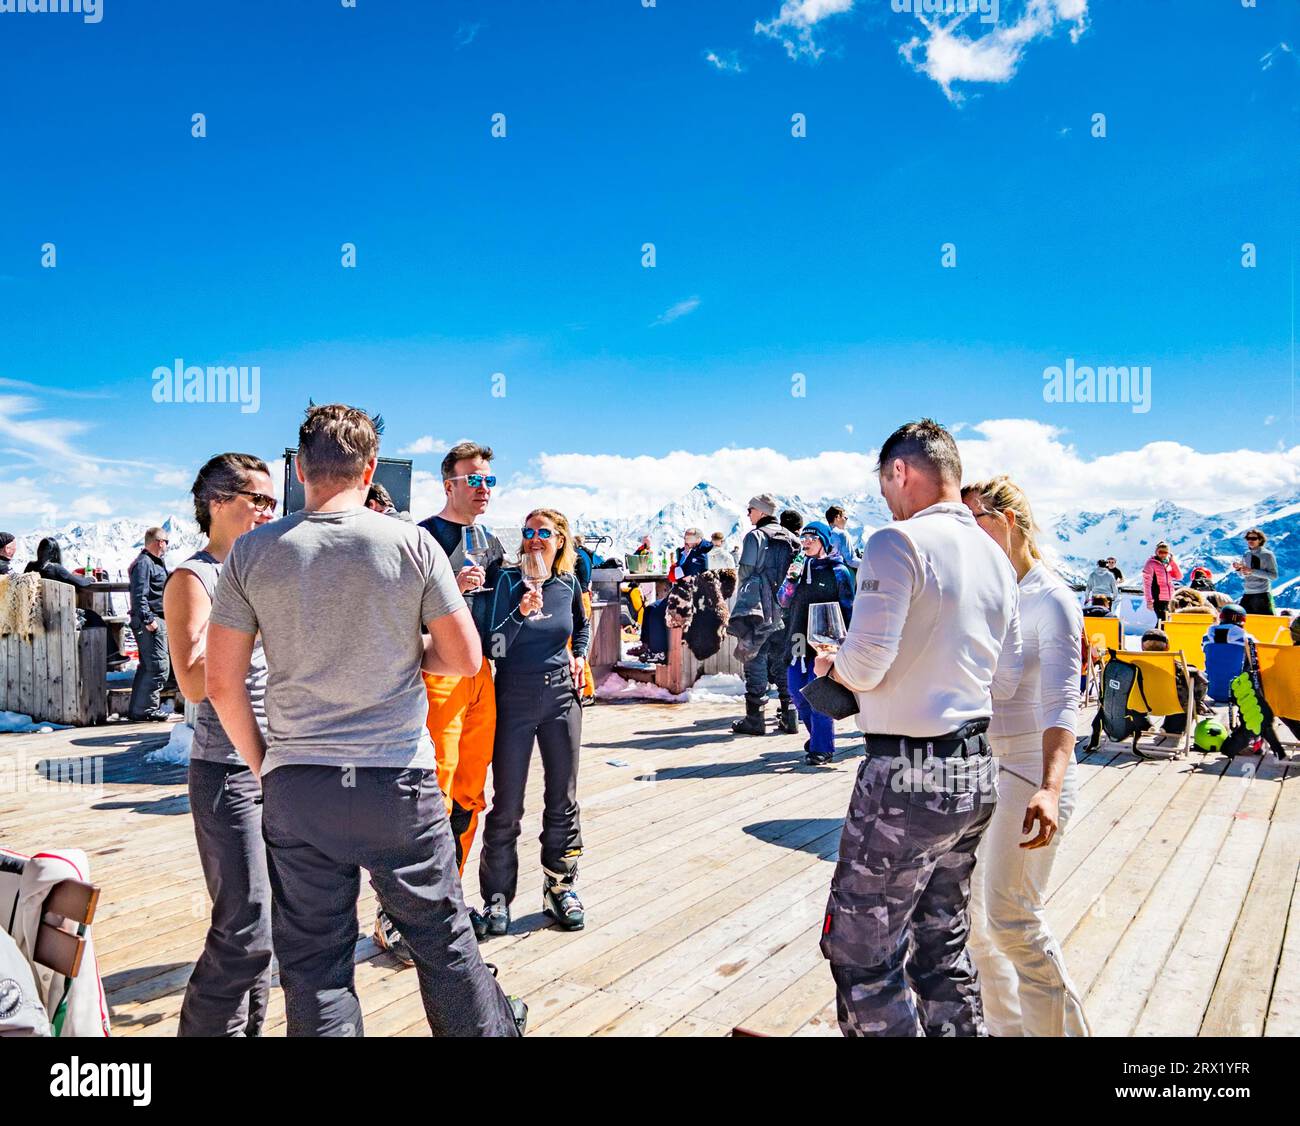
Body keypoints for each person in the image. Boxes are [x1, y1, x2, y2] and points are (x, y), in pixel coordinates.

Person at [205, 404, 521, 1037]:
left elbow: (220, 681)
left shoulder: (253, 553)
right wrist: (408, 648)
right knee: (443, 946)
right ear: (369, 467)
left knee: (317, 965)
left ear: (299, 472)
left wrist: (265, 763)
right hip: (395, 781)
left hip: (299, 784)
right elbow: (464, 658)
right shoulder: (411, 544)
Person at [814, 420, 1022, 1037]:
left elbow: (866, 663)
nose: (885, 498)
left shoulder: (894, 542)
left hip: (906, 776)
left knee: (862, 953)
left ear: (899, 472)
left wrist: (833, 665)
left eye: (884, 484)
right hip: (975, 772)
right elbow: (1004, 682)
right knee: (942, 946)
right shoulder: (996, 557)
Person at [960, 476, 1090, 1037]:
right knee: (976, 925)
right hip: (988, 771)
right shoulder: (988, 598)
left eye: (975, 521)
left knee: (1013, 921)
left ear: (1007, 520)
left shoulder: (1051, 599)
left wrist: (1051, 787)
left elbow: (1064, 702)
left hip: (1033, 774)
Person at [373, 441, 509, 954]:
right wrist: (450, 583)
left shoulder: (492, 542)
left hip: (481, 676)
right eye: (473, 479)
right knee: (433, 790)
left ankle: (447, 898)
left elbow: (497, 614)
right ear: (448, 483)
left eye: (490, 481)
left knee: (471, 792)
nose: (483, 489)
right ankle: (397, 913)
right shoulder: (420, 537)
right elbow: (394, 612)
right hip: (437, 674)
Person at [165, 453, 278, 1036]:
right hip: (226, 771)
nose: (267, 510)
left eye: (271, 502)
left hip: (277, 765)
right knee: (244, 926)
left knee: (267, 926)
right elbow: (190, 679)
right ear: (216, 503)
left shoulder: (261, 574)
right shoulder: (195, 577)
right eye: (256, 499)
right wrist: (249, 620)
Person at [477, 509, 589, 936]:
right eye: (528, 532)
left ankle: (560, 885)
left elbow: (581, 626)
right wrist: (520, 611)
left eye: (544, 532)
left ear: (561, 539)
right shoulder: (508, 581)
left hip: (561, 695)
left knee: (563, 797)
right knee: (507, 804)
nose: (535, 539)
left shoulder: (569, 582)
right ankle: (497, 896)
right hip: (515, 695)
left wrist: (579, 654)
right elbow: (495, 646)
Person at [777, 521, 854, 766]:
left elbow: (848, 607)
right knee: (796, 691)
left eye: (812, 537)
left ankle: (822, 748)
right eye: (804, 538)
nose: (806, 542)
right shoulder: (799, 569)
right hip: (798, 638)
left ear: (823, 541)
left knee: (819, 693)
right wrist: (790, 580)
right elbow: (783, 601)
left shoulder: (838, 570)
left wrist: (848, 642)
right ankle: (816, 738)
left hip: (825, 641)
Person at [730, 493, 800, 735]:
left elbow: (746, 571)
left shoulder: (755, 536)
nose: (748, 512)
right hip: (786, 609)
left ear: (761, 512)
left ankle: (755, 719)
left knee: (755, 658)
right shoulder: (791, 537)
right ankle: (790, 715)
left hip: (758, 607)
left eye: (750, 509)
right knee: (782, 660)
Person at [128, 527, 171, 722]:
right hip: (150, 621)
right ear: (158, 542)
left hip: (155, 618)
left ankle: (139, 710)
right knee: (157, 666)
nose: (167, 546)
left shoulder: (153, 562)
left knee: (148, 666)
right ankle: (147, 710)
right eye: (166, 542)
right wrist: (148, 619)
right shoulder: (145, 563)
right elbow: (139, 594)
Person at [1235, 529, 1278, 615]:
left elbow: (1273, 576)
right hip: (1247, 594)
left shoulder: (1267, 555)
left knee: (1266, 623)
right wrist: (1239, 569)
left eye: (1253, 538)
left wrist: (1252, 571)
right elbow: (1243, 575)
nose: (1250, 540)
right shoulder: (1246, 554)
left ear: (1260, 540)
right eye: (1248, 538)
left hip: (1262, 594)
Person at [1141, 541, 1181, 623]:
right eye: (1160, 552)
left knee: (1165, 623)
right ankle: (1153, 635)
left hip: (1170, 598)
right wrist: (1149, 600)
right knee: (1163, 622)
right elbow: (1147, 584)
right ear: (1156, 552)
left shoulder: (1167, 563)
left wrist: (1172, 562)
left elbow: (1178, 576)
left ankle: (1155, 635)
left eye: (1165, 552)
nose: (1163, 554)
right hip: (1158, 598)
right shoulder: (1151, 563)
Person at [825, 505, 858, 571]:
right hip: (840, 573)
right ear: (837, 517)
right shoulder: (841, 534)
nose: (846, 520)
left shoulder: (823, 533)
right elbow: (851, 561)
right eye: (845, 518)